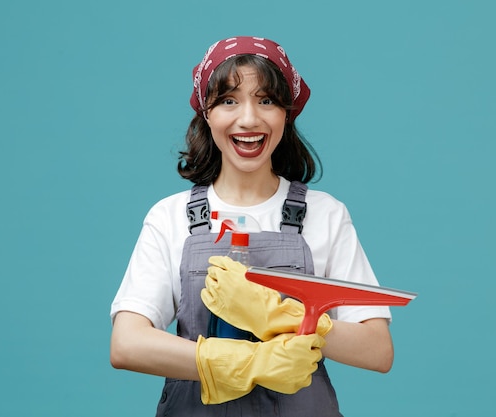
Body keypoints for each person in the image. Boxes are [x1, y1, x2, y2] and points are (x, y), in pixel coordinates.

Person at [110, 36, 394, 416]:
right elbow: (127, 344)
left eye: (267, 101)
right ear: (206, 113)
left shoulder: (324, 215)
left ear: (286, 114)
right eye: (229, 100)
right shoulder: (171, 217)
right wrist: (248, 363)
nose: (248, 119)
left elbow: (377, 349)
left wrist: (283, 315)